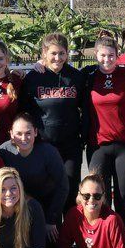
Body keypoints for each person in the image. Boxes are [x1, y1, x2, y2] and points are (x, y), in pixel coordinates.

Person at [19, 33, 90, 212]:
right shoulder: (34, 78)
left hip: (70, 147)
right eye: (53, 53)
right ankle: (48, 229)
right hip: (43, 145)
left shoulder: (76, 77)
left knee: (69, 191)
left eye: (61, 53)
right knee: (47, 193)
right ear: (44, 53)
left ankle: (69, 229)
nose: (57, 58)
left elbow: (87, 110)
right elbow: (23, 111)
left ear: (67, 53)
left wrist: (83, 137)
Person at [83, 35, 125, 229]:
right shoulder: (88, 76)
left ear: (117, 55)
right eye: (103, 55)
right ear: (96, 55)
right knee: (100, 198)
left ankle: (124, 239)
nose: (107, 60)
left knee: (123, 200)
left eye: (111, 56)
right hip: (98, 146)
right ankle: (104, 238)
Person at [0, 113, 67, 243]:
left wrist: (51, 219)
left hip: (47, 207)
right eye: (19, 133)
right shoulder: (4, 151)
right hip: (17, 206)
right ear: (11, 133)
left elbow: (63, 186)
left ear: (35, 132)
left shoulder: (48, 152)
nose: (24, 138)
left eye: (28, 133)